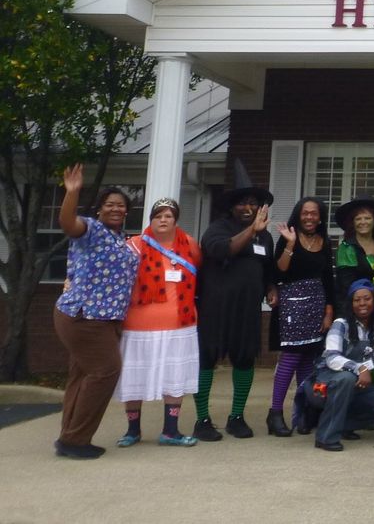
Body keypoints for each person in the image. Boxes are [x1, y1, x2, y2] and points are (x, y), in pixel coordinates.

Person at [52, 165, 139, 459]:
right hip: (84, 316)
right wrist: (72, 193)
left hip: (105, 319)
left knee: (82, 374)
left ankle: (69, 436)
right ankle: (76, 440)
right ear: (100, 209)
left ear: (126, 211)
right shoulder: (92, 230)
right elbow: (67, 223)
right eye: (110, 204)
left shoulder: (122, 240)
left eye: (121, 205)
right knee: (106, 371)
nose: (116, 209)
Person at [194, 164, 276, 441]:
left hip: (248, 309)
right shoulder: (217, 229)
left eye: (252, 203)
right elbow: (223, 249)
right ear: (231, 206)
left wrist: (271, 288)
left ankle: (236, 417)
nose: (247, 207)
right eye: (242, 202)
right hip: (214, 308)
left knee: (244, 359)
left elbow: (267, 269)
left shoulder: (265, 236)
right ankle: (202, 419)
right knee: (206, 360)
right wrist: (251, 230)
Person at [114, 197, 202, 449]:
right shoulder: (134, 245)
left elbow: (202, 274)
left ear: (175, 220)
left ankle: (170, 431)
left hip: (180, 324)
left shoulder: (190, 246)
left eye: (168, 216)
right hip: (138, 324)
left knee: (175, 376)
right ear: (150, 220)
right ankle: (132, 430)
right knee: (134, 376)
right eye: (158, 216)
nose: (162, 220)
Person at [267, 196, 334, 437]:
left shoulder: (324, 241)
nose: (309, 217)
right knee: (290, 359)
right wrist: (290, 244)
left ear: (320, 217)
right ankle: (275, 413)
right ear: (298, 214)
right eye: (305, 213)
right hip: (292, 304)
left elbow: (328, 278)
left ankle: (303, 413)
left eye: (314, 213)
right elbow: (279, 271)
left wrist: (328, 311)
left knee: (308, 361)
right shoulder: (287, 238)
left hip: (316, 303)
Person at [311, 279, 374, 451]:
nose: (362, 303)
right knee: (346, 378)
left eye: (367, 298)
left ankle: (344, 425)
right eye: (357, 299)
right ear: (350, 303)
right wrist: (360, 368)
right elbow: (331, 357)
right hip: (321, 387)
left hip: (353, 388)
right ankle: (325, 437)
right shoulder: (341, 325)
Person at [333, 197, 374, 387]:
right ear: (352, 223)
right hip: (359, 311)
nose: (363, 222)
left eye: (367, 218)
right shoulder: (347, 248)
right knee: (363, 352)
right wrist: (362, 308)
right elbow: (346, 284)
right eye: (358, 219)